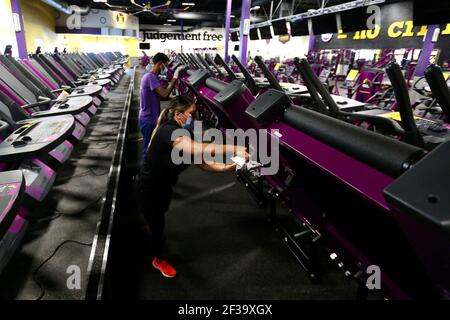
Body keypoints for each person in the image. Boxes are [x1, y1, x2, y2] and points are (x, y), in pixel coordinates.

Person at [136, 95, 249, 278]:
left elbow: (201, 162)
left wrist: (225, 168)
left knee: (160, 212)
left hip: (164, 186)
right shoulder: (168, 131)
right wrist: (233, 148)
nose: (194, 117)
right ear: (179, 115)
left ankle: (151, 222)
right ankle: (158, 259)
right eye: (191, 113)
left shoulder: (184, 134)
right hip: (148, 188)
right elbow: (197, 149)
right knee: (158, 227)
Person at [139, 52, 182, 161]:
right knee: (148, 149)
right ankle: (144, 174)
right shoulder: (150, 77)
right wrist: (175, 78)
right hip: (148, 120)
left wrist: (173, 98)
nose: (166, 68)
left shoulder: (152, 76)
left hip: (148, 118)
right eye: (165, 65)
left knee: (152, 147)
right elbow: (164, 94)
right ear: (160, 63)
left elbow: (160, 96)